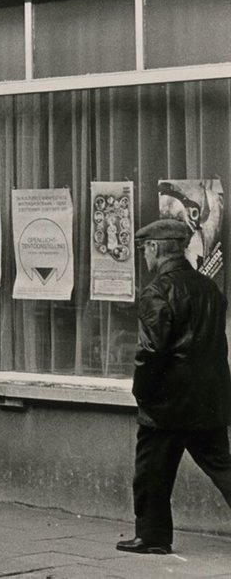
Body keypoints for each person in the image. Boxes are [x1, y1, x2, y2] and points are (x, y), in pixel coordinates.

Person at [118, 218, 231, 555]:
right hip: (209, 400)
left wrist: (143, 394)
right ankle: (152, 537)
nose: (144, 256)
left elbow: (151, 352)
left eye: (144, 249)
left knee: (152, 473)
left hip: (167, 404)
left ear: (154, 248)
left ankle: (152, 537)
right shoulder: (210, 288)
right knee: (223, 468)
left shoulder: (157, 291)